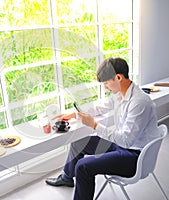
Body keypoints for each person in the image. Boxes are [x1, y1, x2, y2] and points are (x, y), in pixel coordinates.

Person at [45, 57, 160, 200]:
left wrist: (94, 125)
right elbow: (100, 107)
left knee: (83, 167)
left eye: (106, 83)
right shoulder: (119, 94)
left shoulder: (139, 102)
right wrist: (75, 114)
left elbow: (125, 141)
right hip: (121, 145)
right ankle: (67, 177)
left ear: (118, 77)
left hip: (134, 156)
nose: (105, 87)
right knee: (79, 143)